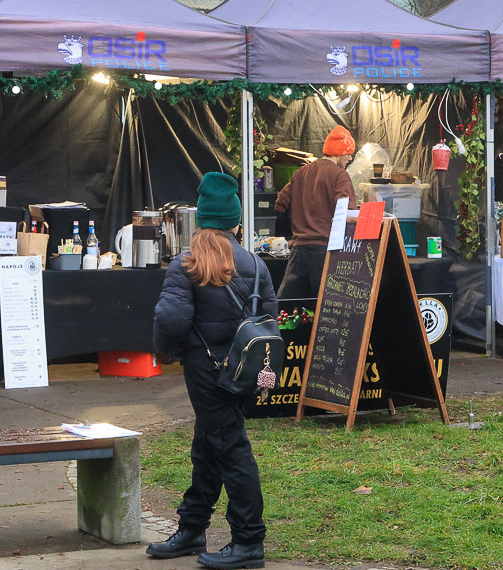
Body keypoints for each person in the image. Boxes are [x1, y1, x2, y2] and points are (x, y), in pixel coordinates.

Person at [151, 172, 276, 569]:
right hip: (245, 371)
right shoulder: (256, 264)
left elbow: (170, 320)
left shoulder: (187, 264)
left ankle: (249, 541)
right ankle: (192, 528)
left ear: (201, 221)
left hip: (206, 372)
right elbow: (270, 319)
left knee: (230, 449)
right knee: (208, 446)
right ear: (236, 222)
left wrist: (167, 352)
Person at [274, 125, 357, 299]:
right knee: (327, 307)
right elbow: (347, 212)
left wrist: (287, 237)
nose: (350, 158)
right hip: (326, 252)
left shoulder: (301, 172)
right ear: (339, 152)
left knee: (288, 306)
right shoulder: (340, 175)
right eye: (349, 153)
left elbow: (280, 204)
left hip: (298, 252)